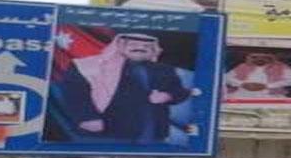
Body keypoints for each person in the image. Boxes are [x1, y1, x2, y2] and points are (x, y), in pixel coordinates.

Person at [58, 33, 191, 143]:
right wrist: (87, 117)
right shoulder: (90, 66)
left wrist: (168, 96)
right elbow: (75, 93)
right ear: (120, 46)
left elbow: (180, 92)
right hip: (107, 134)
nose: (140, 48)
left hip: (154, 134)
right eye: (133, 45)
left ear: (154, 50)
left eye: (146, 46)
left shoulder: (165, 70)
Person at [225, 52, 291, 99]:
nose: (260, 59)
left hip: (271, 95)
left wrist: (268, 86)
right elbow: (226, 78)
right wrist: (242, 84)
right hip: (242, 93)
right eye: (255, 57)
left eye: (265, 57)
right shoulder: (242, 66)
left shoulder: (281, 67)